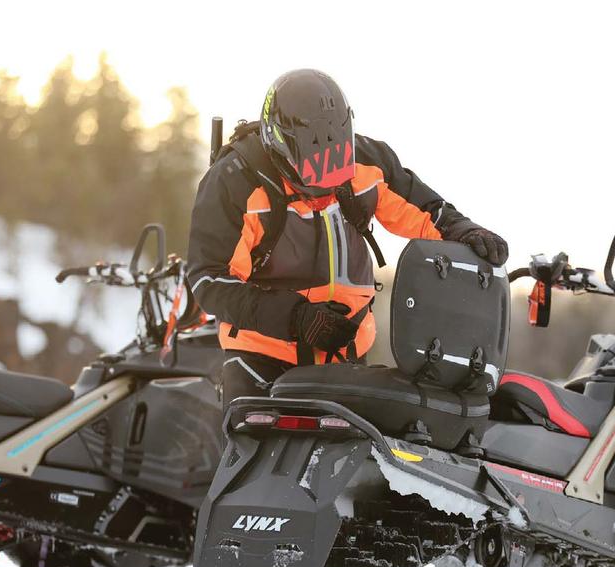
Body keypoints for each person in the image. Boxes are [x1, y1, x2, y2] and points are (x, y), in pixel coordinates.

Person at [187, 69, 508, 408]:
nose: (326, 187)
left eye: (337, 167)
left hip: (346, 354)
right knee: (258, 453)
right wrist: (296, 318)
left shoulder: (367, 162)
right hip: (262, 358)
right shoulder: (234, 183)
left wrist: (464, 231)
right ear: (279, 147)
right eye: (312, 171)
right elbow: (210, 279)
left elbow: (427, 212)